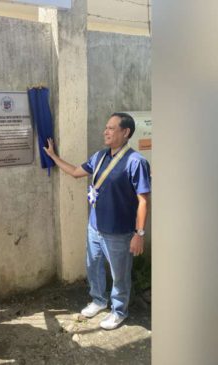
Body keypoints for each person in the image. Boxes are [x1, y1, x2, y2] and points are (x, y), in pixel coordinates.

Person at [43, 112, 151, 330]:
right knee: (94, 267)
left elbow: (143, 201)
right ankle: (98, 300)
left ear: (125, 132)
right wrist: (53, 156)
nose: (106, 131)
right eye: (106, 127)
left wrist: (139, 234)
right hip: (95, 227)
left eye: (111, 128)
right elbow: (75, 172)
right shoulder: (100, 156)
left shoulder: (136, 162)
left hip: (120, 232)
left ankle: (119, 311)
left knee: (119, 275)